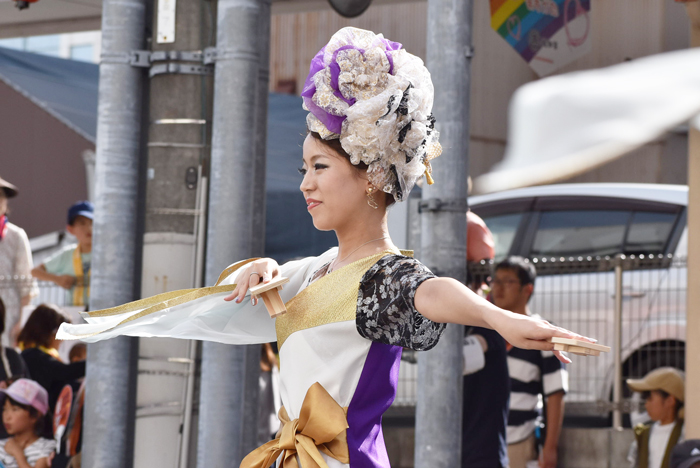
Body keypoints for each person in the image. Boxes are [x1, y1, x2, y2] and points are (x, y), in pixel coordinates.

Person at [57, 27, 594, 468]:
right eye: (304, 168)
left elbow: (433, 291)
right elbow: (236, 294)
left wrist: (497, 318)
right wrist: (261, 266)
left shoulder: (384, 278)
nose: (305, 185)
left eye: (320, 167)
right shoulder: (315, 269)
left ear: (369, 177)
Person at [492, 257, 567, 468]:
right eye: (495, 281)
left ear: (527, 289)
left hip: (521, 443)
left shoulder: (543, 334)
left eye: (507, 282)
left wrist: (550, 447)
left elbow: (555, 393)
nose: (498, 288)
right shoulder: (486, 332)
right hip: (483, 442)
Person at [462, 215, 510, 468]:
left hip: (483, 456)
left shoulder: (487, 326)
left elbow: (454, 363)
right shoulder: (467, 321)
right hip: (462, 451)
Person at [18, 305, 85, 414]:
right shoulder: (32, 356)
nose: (63, 339)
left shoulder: (33, 354)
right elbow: (65, 372)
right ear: (51, 332)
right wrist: (94, 362)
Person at [31, 202, 93, 308]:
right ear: (70, 229)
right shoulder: (68, 254)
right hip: (77, 313)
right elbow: (35, 271)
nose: (89, 228)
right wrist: (57, 279)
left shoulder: (105, 255)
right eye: (82, 223)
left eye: (92, 222)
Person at [0, 175, 37, 347]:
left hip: (9, 313)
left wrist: (21, 323)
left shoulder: (16, 236)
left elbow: (26, 283)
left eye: (1, 196)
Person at [627, 367, 685, 468]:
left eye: (650, 398)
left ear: (670, 401)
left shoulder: (684, 434)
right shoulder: (643, 434)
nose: (646, 404)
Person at [0, 378, 56, 468]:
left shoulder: (46, 447)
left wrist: (18, 455)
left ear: (35, 415)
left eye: (15, 409)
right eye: (4, 409)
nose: (7, 416)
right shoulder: (2, 445)